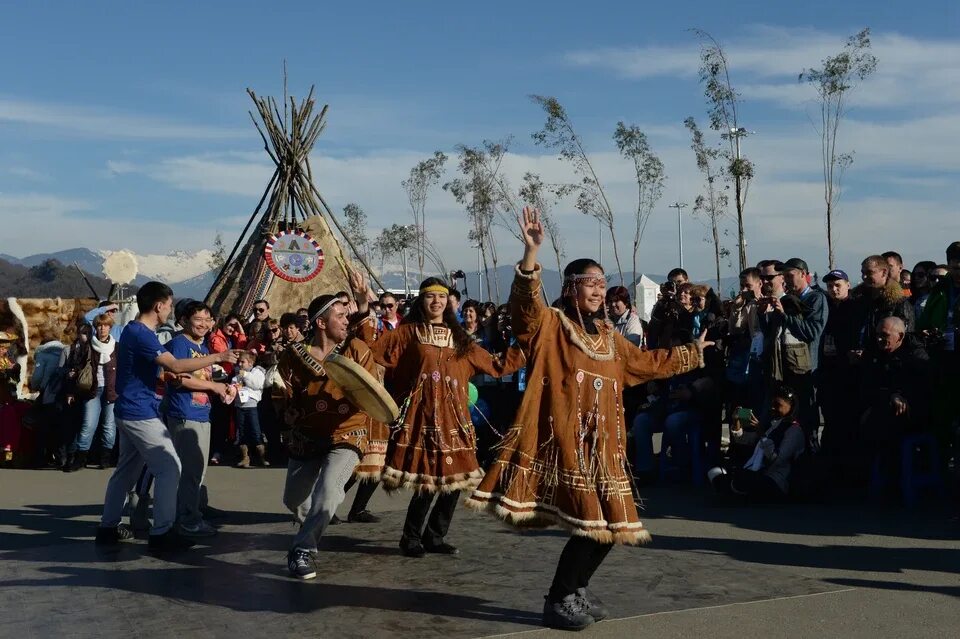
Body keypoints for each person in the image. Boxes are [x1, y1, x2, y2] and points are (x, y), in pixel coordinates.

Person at [466, 208, 709, 631]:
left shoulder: (610, 339)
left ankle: (575, 587)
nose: (598, 290)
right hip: (567, 441)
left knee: (613, 525)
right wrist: (530, 252)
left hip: (606, 446)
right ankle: (559, 598)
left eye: (601, 282)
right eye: (589, 283)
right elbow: (523, 308)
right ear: (571, 289)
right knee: (591, 523)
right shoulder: (552, 325)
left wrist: (690, 352)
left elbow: (645, 363)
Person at [351, 274, 523, 559]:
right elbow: (373, 349)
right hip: (423, 417)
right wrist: (361, 304)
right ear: (422, 300)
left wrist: (529, 344)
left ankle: (436, 536)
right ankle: (411, 538)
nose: (436, 301)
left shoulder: (460, 340)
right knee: (428, 480)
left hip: (455, 421)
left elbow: (496, 365)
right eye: (431, 296)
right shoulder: (408, 333)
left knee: (454, 482)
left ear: (448, 302)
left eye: (441, 297)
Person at [93, 281, 241, 552]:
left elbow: (156, 369)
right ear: (159, 306)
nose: (171, 310)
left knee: (125, 472)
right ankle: (161, 532)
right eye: (170, 305)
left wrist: (167, 374)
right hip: (140, 411)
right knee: (170, 467)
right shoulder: (142, 333)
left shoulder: (133, 331)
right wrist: (219, 356)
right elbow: (174, 363)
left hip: (130, 409)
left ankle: (108, 527)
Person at [277, 293, 381, 580]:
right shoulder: (295, 355)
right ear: (321, 322)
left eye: (347, 316)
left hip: (348, 432)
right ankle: (311, 526)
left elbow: (371, 392)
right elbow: (284, 393)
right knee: (294, 499)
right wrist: (287, 411)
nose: (346, 320)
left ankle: (303, 549)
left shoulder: (357, 350)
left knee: (329, 493)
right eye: (340, 316)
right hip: (307, 434)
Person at [163, 300, 232, 538]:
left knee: (197, 470)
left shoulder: (202, 348)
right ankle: (188, 520)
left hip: (201, 413)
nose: (203, 324)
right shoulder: (180, 344)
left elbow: (202, 379)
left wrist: (223, 388)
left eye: (207, 319)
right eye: (197, 319)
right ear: (183, 321)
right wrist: (214, 386)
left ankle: (189, 513)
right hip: (185, 413)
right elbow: (178, 378)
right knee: (191, 471)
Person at [858, 317, 931, 489]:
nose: (879, 339)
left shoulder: (916, 356)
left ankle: (895, 478)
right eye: (877, 335)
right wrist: (889, 396)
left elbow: (924, 388)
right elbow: (867, 386)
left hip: (912, 414)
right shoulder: (874, 353)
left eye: (884, 335)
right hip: (881, 408)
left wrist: (901, 396)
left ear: (899, 336)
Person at [758, 258, 827, 440]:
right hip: (783, 370)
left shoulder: (816, 298)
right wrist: (762, 314)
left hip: (806, 371)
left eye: (790, 275)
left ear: (803, 275)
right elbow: (771, 334)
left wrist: (784, 315)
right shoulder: (787, 299)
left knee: (805, 420)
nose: (787, 280)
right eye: (785, 276)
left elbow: (812, 332)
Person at [708, 385, 805, 501]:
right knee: (715, 471)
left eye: (777, 405)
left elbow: (776, 459)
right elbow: (743, 439)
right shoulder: (775, 425)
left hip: (775, 481)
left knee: (741, 480)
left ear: (791, 407)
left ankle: (730, 492)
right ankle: (730, 490)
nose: (773, 408)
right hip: (759, 473)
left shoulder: (794, 430)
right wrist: (736, 421)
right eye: (772, 404)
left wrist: (762, 434)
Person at [816, 270, 860, 471]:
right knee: (831, 419)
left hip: (849, 371)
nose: (834, 289)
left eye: (838, 285)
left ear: (848, 285)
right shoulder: (825, 307)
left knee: (847, 421)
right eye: (830, 286)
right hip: (828, 371)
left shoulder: (856, 307)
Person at [65, 313, 118, 472]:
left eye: (106, 325)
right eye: (99, 325)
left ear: (110, 327)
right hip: (92, 390)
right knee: (88, 424)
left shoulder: (117, 347)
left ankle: (105, 458)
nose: (102, 328)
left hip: (112, 390)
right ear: (95, 328)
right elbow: (76, 369)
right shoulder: (88, 347)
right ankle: (80, 458)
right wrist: (70, 391)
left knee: (109, 425)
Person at [853, 255, 915, 349]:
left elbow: (906, 337)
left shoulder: (899, 302)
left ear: (884, 272)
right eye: (863, 272)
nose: (864, 276)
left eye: (870, 272)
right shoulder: (858, 300)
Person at [29, 325, 68, 468]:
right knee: (60, 428)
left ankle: (40, 458)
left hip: (49, 394)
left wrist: (35, 386)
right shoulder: (66, 350)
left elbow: (37, 378)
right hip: (64, 395)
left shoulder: (43, 354)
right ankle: (61, 458)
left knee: (44, 428)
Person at [232, 351, 268, 468]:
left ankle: (262, 457)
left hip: (252, 407)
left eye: (243, 362)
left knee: (255, 431)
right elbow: (233, 386)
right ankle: (245, 457)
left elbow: (257, 385)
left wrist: (246, 375)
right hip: (240, 407)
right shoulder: (237, 375)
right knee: (242, 432)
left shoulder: (257, 372)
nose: (240, 364)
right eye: (239, 362)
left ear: (250, 363)